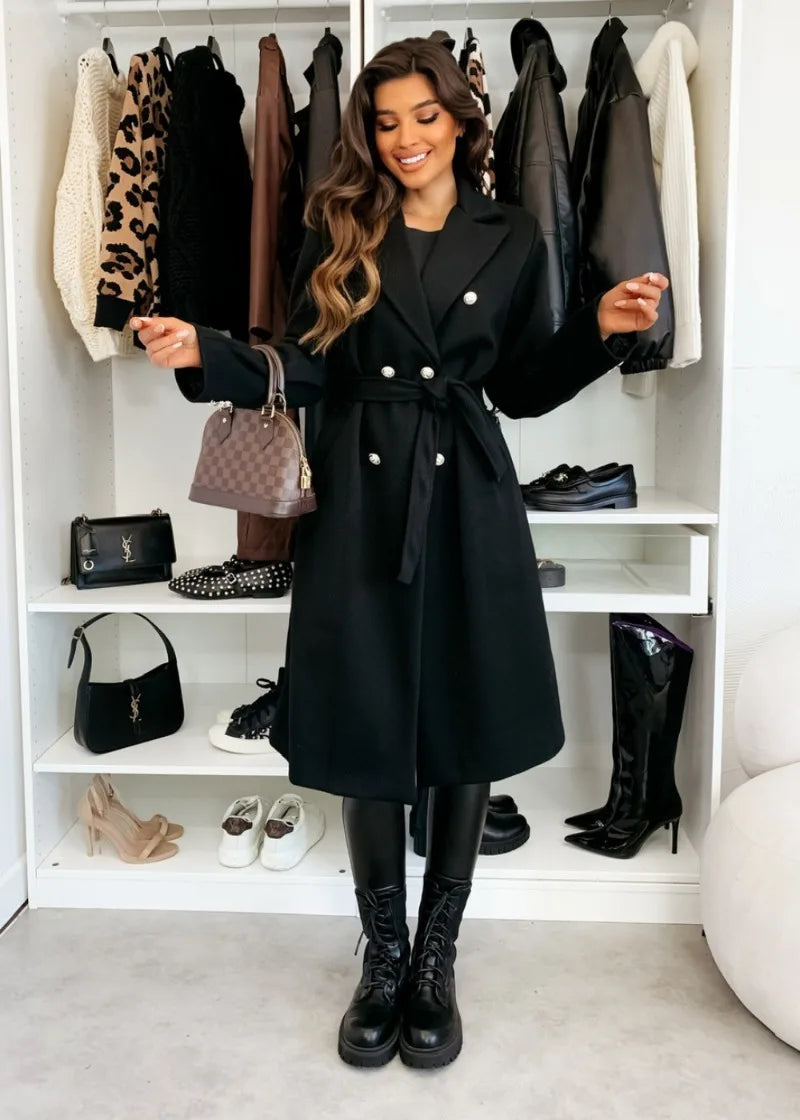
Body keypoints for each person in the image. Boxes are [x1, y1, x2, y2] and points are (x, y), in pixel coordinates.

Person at [133, 37, 668, 1072]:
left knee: (461, 725)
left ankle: (435, 958)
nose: (406, 138)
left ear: (461, 120)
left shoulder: (510, 232)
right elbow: (304, 365)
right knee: (366, 722)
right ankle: (381, 960)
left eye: (425, 116)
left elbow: (517, 387)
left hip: (466, 496)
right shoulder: (339, 221)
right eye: (385, 122)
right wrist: (210, 354)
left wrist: (598, 331)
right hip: (359, 502)